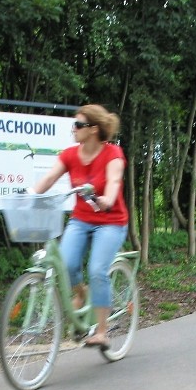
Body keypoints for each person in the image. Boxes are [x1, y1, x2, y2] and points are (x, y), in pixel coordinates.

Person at [30, 104, 128, 349]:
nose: (73, 129)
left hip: (111, 221)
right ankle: (80, 293)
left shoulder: (113, 154)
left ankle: (102, 331)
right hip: (82, 219)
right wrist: (29, 194)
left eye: (78, 125)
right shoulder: (70, 155)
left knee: (97, 270)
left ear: (93, 129)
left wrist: (107, 199)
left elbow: (114, 181)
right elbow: (50, 178)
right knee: (66, 264)